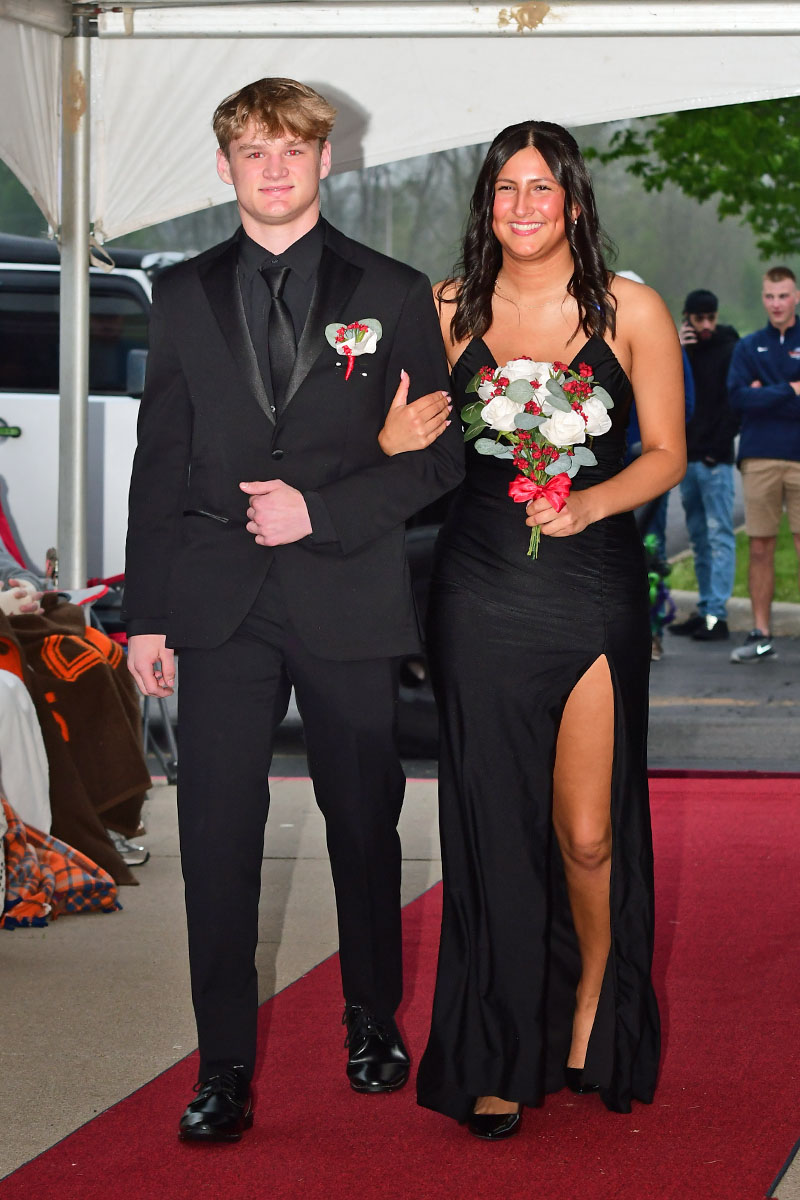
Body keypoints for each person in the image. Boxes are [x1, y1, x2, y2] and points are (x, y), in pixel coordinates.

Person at [122, 77, 463, 1143]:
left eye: (292, 149)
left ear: (326, 160)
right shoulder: (176, 294)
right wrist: (143, 616)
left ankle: (371, 1017)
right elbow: (158, 462)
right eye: (252, 151)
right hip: (217, 606)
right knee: (216, 835)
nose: (273, 168)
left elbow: (442, 454)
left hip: (345, 596)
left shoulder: (395, 290)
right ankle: (220, 1065)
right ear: (224, 169)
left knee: (363, 822)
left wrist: (320, 508)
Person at [402, 120, 685, 1139]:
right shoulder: (445, 309)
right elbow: (397, 445)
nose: (522, 207)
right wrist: (391, 437)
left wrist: (590, 504)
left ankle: (590, 1009)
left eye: (540, 188)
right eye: (504, 189)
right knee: (491, 830)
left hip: (591, 582)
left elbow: (662, 454)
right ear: (486, 204)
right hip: (476, 587)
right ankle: (491, 1049)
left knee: (585, 831)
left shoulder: (631, 310)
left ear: (571, 200)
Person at [727, 266, 800, 663]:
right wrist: (790, 389)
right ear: (763, 297)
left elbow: (754, 397)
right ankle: (760, 635)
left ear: (796, 296)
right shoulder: (748, 346)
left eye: (783, 295)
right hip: (759, 457)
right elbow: (738, 398)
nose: (776, 303)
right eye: (770, 296)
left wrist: (764, 393)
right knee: (760, 546)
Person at [668, 289, 739, 642]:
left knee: (719, 536)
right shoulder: (683, 352)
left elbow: (735, 403)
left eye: (711, 317)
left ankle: (718, 615)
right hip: (688, 459)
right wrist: (678, 349)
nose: (707, 325)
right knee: (699, 538)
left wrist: (717, 447)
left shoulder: (729, 349)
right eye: (700, 319)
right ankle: (707, 608)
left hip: (715, 461)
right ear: (688, 319)